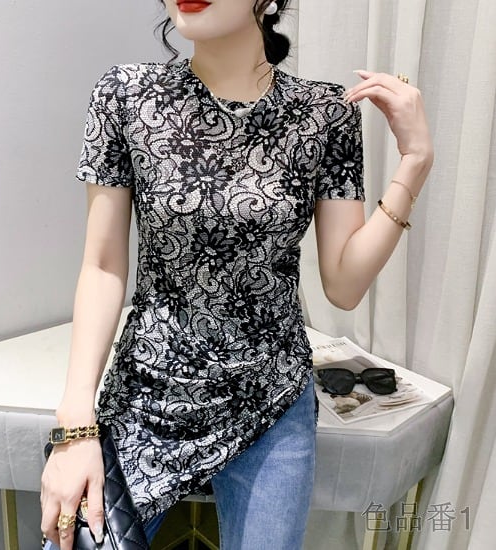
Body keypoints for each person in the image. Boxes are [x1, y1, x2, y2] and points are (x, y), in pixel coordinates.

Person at [40, 0, 433, 549]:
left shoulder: (323, 113)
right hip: (148, 391)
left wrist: (414, 161)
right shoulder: (126, 95)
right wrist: (74, 425)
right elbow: (103, 266)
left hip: (270, 397)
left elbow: (344, 286)